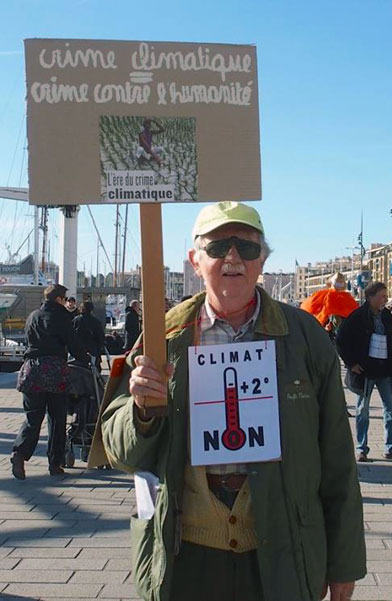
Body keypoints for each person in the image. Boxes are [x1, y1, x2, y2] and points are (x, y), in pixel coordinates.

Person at [100, 201, 366, 601]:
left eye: (247, 246)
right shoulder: (164, 337)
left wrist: (344, 562)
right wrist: (141, 411)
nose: (233, 257)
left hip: (281, 549)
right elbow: (117, 449)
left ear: (262, 260)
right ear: (194, 260)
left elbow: (337, 457)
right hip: (187, 551)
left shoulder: (305, 336)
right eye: (218, 245)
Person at [10, 284, 90, 479]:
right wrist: (85, 358)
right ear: (59, 299)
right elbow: (72, 342)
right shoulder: (61, 316)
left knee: (33, 417)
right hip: (54, 371)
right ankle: (55, 464)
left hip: (31, 370)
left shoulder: (33, 316)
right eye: (64, 299)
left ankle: (19, 454)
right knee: (56, 418)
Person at [337, 281, 392, 462]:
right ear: (371, 298)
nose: (386, 299)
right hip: (365, 371)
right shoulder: (357, 317)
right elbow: (341, 340)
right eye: (382, 296)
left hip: (385, 369)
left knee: (390, 410)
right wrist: (351, 363)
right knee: (362, 411)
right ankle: (362, 449)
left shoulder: (387, 317)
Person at [72, 300, 106, 370]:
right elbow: (100, 337)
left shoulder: (76, 320)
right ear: (91, 310)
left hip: (77, 350)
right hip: (92, 350)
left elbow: (70, 334)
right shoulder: (96, 322)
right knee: (92, 370)